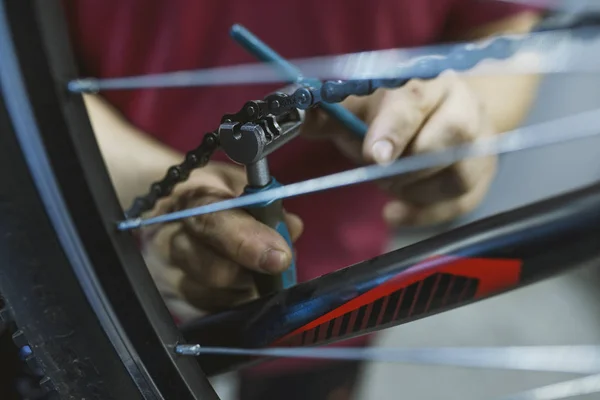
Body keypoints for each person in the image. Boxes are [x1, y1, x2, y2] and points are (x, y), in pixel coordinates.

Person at [63, 1, 542, 399]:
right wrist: (155, 183)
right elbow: (20, 71)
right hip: (88, 273)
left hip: (342, 297)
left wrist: (461, 123)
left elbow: (505, 25)